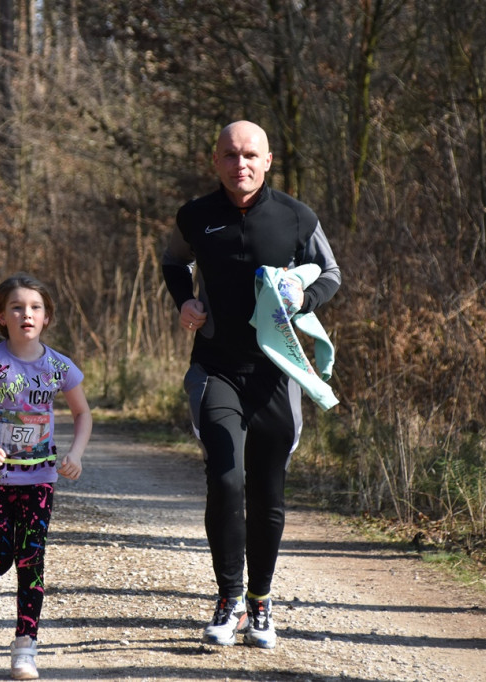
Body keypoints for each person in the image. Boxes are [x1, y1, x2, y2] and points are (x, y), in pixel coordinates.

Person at [161, 121, 341, 649]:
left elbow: (330, 273)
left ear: (267, 162)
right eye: (230, 155)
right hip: (215, 369)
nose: (240, 164)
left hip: (275, 376)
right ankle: (228, 599)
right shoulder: (195, 217)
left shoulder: (296, 217)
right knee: (226, 479)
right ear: (214, 160)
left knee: (267, 490)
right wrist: (185, 302)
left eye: (250, 156)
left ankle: (261, 603)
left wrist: (302, 299)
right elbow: (175, 261)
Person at [0, 274, 92, 680]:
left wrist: (76, 454)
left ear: (47, 317)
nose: (26, 314)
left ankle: (25, 648)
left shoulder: (58, 366)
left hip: (40, 479)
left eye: (34, 307)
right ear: (2, 316)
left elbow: (83, 413)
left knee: (32, 560)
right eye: (17, 307)